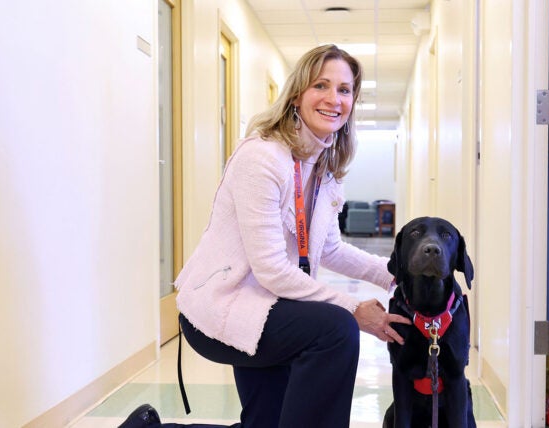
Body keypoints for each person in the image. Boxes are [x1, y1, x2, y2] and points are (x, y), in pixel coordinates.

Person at [120, 44, 411, 428]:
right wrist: (353, 309)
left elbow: (330, 249)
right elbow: (272, 269)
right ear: (296, 95)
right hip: (224, 307)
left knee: (266, 423)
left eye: (344, 90)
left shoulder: (322, 167)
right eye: (320, 85)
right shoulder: (262, 158)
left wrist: (396, 273)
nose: (333, 99)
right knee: (335, 329)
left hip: (272, 306)